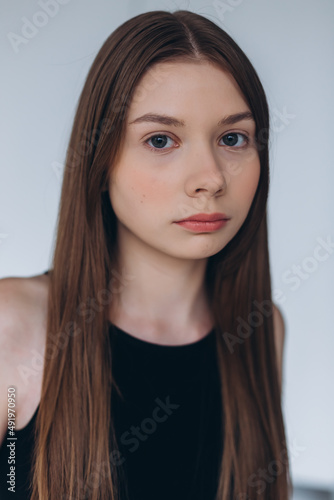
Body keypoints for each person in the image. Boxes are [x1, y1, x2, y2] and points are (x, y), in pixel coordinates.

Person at [0, 9, 292, 500]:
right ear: (100, 158)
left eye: (232, 138)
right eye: (161, 140)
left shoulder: (262, 330)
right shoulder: (13, 325)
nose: (212, 178)